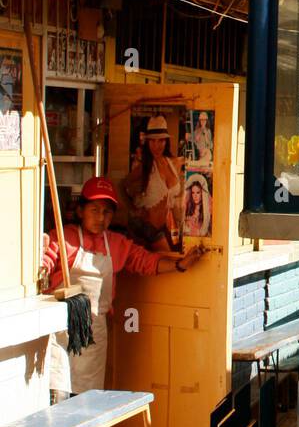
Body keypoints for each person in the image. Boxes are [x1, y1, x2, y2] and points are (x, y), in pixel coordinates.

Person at [43, 176, 205, 397]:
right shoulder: (64, 238)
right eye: (94, 210)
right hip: (61, 333)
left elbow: (147, 262)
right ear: (81, 211)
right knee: (57, 397)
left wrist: (180, 264)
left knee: (86, 404)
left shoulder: (117, 244)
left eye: (107, 212)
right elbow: (46, 259)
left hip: (93, 334)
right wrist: (42, 266)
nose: (101, 218)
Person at [122, 114, 183, 250]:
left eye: (160, 141)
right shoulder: (145, 166)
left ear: (166, 142)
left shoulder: (172, 163)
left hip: (165, 228)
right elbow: (122, 185)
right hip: (144, 227)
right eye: (152, 141)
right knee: (169, 263)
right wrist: (133, 209)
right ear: (147, 142)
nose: (156, 146)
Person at [183, 172, 212, 238]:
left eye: (198, 192)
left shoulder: (207, 209)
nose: (195, 196)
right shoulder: (188, 208)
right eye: (193, 193)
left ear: (202, 193)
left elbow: (205, 230)